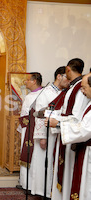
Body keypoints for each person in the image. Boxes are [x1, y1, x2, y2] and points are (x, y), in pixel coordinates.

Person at [47, 58, 89, 200]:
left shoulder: (78, 89)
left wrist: (58, 123)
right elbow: (67, 112)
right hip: (68, 133)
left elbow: (77, 120)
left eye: (85, 88)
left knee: (74, 177)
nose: (83, 91)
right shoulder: (73, 87)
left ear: (67, 69)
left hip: (75, 138)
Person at [29, 67, 69, 198]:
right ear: (59, 76)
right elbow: (40, 114)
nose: (68, 81)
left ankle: (51, 191)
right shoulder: (46, 92)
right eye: (66, 77)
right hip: (47, 134)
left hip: (58, 132)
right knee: (42, 162)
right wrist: (42, 137)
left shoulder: (64, 92)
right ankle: (42, 191)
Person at [17, 72, 43, 190]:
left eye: (27, 80)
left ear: (34, 81)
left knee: (35, 156)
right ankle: (24, 182)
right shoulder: (29, 95)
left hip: (35, 129)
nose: (25, 82)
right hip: (27, 128)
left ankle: (31, 184)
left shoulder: (42, 94)